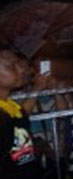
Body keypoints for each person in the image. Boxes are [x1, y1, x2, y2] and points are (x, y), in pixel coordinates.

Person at [0, 48, 42, 178]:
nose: (21, 70)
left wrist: (38, 87)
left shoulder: (11, 107)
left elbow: (22, 115)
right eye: (11, 65)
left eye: (18, 63)